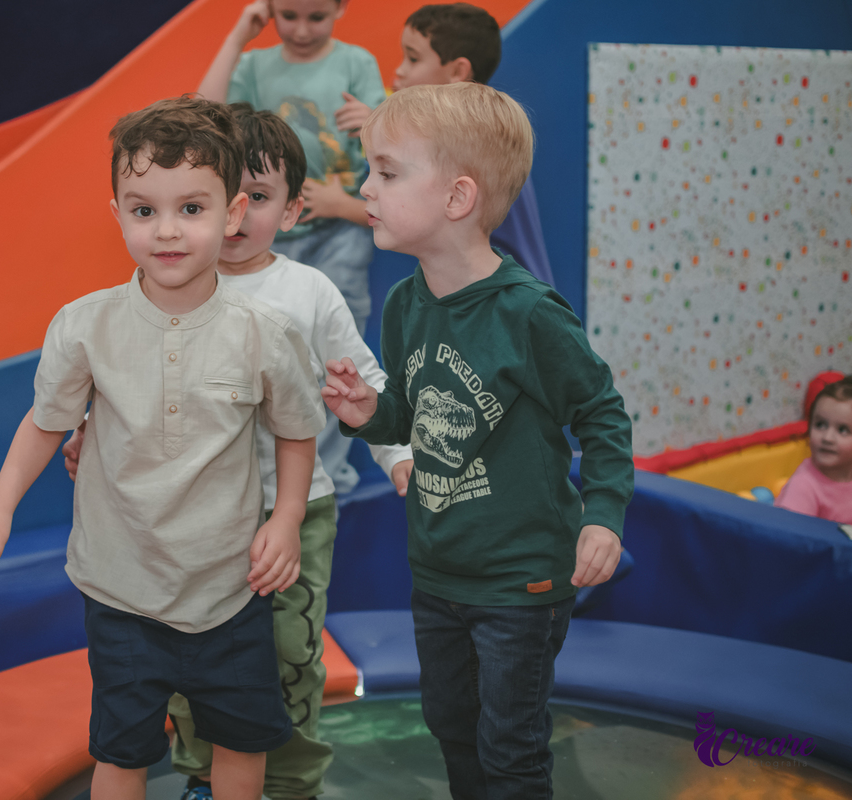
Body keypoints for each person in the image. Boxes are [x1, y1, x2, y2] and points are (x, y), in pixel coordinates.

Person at [0, 96, 326, 800]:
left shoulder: (263, 332)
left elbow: (297, 431)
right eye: (144, 209)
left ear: (234, 212)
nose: (167, 231)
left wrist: (284, 521)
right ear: (118, 214)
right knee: (122, 747)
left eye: (192, 209)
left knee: (243, 740)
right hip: (122, 589)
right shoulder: (85, 327)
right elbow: (44, 424)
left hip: (229, 588)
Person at [66, 103, 413, 800]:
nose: (244, 211)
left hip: (294, 513)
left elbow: (362, 381)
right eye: (234, 193)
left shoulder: (304, 291)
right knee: (196, 660)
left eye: (262, 197)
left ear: (291, 211)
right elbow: (130, 381)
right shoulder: (172, 280)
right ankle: (204, 775)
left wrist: (398, 453)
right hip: (186, 524)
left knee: (285, 658)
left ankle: (291, 783)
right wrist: (91, 432)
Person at [321, 82, 634, 800]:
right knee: (451, 723)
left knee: (510, 745)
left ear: (458, 198)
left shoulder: (527, 315)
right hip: (438, 572)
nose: (366, 187)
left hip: (520, 579)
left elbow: (603, 416)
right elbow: (413, 414)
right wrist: (369, 411)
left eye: (388, 173)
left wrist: (603, 515)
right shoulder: (406, 303)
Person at [304, 2, 557, 287]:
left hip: (509, 296)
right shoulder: (468, 133)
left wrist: (338, 205)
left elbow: (405, 208)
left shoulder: (471, 137)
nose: (398, 71)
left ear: (457, 71)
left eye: (413, 59)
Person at [197, 0, 386, 336]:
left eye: (316, 17)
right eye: (288, 16)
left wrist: (374, 121)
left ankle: (337, 384)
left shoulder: (357, 63)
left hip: (338, 227)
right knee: (263, 321)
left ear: (340, 7)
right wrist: (237, 38)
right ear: (270, 8)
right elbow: (204, 119)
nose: (301, 30)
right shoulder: (255, 65)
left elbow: (390, 149)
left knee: (339, 313)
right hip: (267, 229)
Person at [775, 375, 852, 523]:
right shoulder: (803, 486)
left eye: (842, 430)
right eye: (820, 425)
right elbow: (790, 539)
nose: (827, 438)